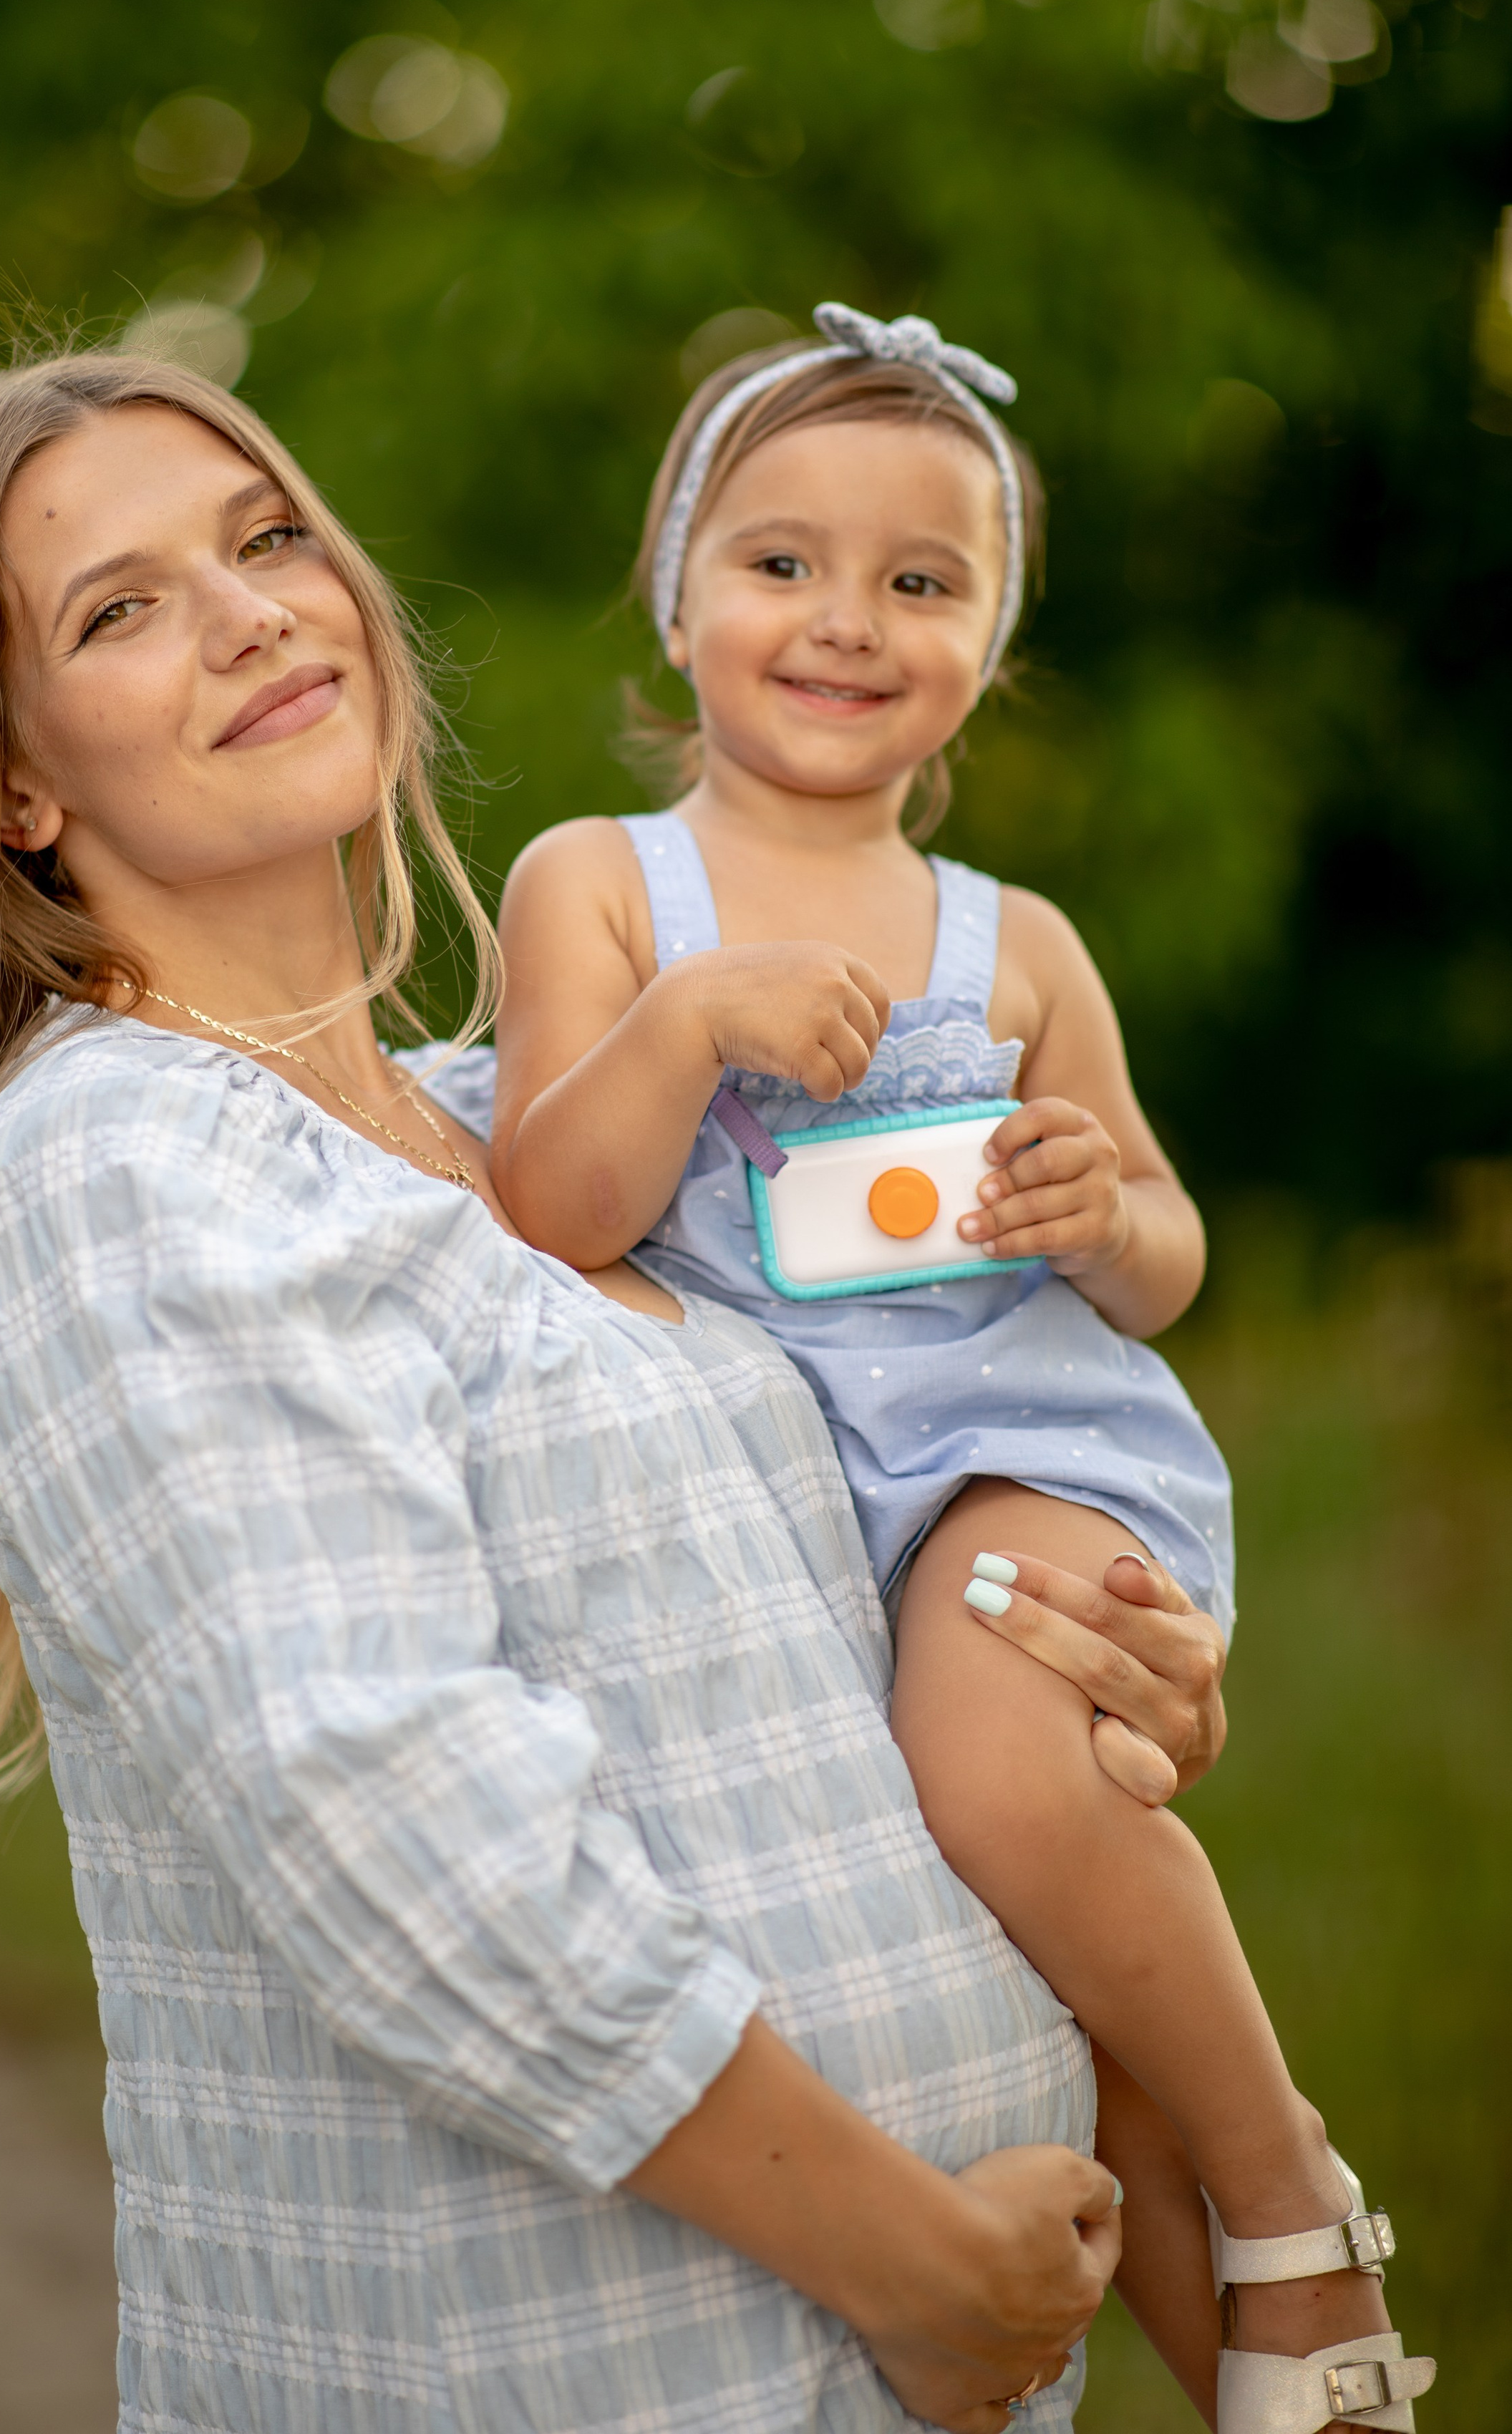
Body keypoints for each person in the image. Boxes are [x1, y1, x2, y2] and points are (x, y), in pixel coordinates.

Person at [0, 346, 1241, 2434]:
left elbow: (809, 1611)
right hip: (582, 2375)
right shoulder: (123, 1164)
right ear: (14, 784)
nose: (253, 611)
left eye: (269, 538)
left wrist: (1082, 1656)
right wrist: (913, 2272)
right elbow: (399, 1827)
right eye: (119, 609)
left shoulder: (525, 1139)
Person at [490, 306, 1435, 2434]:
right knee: (1067, 2024)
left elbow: (1165, 1261)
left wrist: (1103, 1206)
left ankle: (1294, 2202)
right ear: (680, 600)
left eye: (922, 583)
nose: (848, 621)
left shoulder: (1014, 942)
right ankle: (1290, 2375)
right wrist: (691, 1023)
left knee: (1018, 1780)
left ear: (990, 649)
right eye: (783, 563)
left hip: (1011, 1444)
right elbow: (550, 1196)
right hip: (798, 1505)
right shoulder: (603, 889)